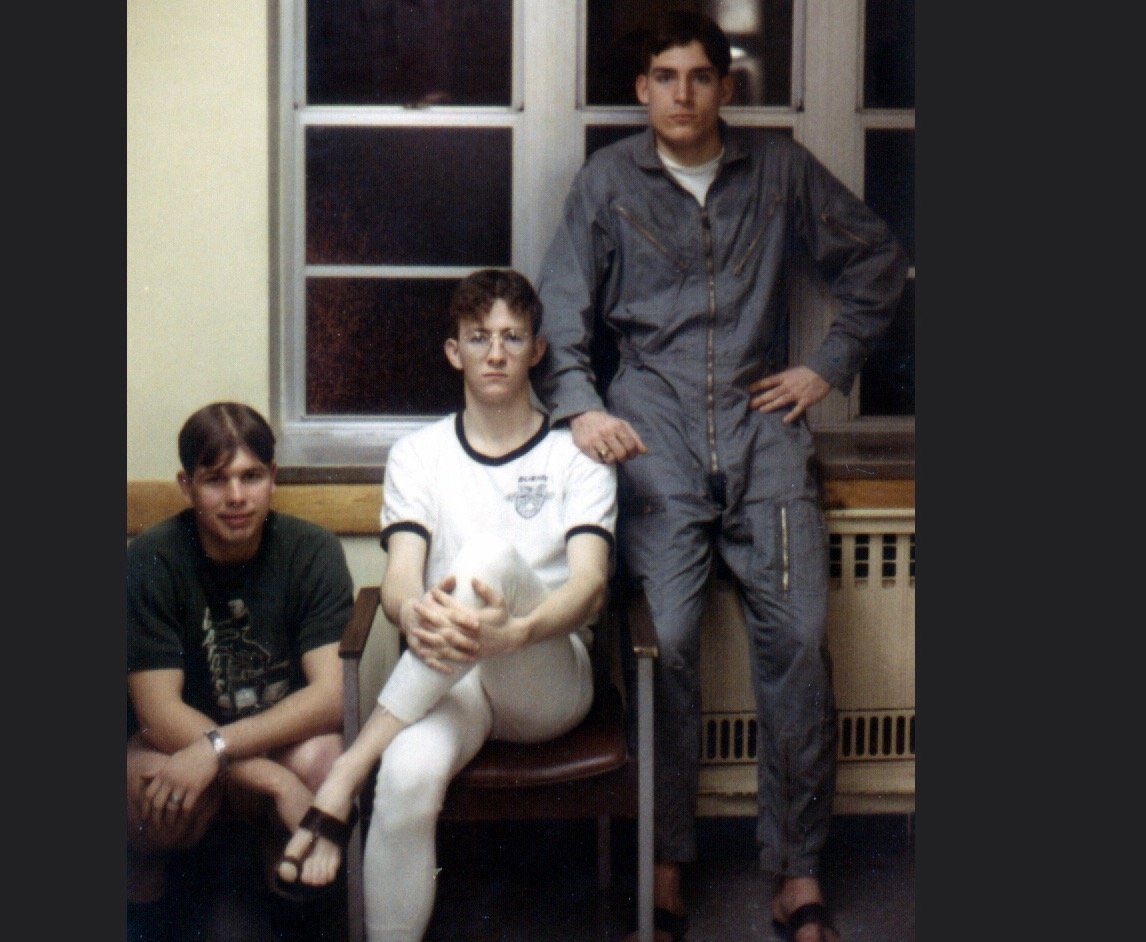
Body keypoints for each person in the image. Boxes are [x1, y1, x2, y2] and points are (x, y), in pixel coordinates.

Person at [533, 11, 908, 942]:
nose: (683, 94)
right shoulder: (608, 183)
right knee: (663, 648)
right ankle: (665, 865)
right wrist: (582, 408)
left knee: (799, 646)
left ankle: (797, 871)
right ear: (641, 90)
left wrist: (826, 368)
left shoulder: (777, 170)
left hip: (762, 433)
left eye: (700, 77)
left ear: (725, 87)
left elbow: (876, 260)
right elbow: (561, 314)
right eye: (664, 77)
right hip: (651, 441)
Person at [276, 269, 617, 942]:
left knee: (486, 557)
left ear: (537, 351)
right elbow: (401, 579)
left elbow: (589, 588)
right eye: (479, 337)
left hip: (545, 675)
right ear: (454, 352)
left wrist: (516, 633)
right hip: (450, 677)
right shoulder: (418, 455)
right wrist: (412, 614)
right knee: (406, 777)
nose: (496, 353)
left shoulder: (575, 454)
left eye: (512, 337)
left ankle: (348, 768)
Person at [126, 402, 354, 939]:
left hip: (270, 741)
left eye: (250, 476)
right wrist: (272, 781)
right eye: (215, 480)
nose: (236, 496)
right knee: (146, 791)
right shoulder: (152, 558)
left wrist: (222, 751)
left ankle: (288, 890)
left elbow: (331, 697)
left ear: (273, 478)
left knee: (328, 759)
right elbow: (157, 714)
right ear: (186, 486)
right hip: (182, 752)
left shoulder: (312, 551)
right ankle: (147, 900)